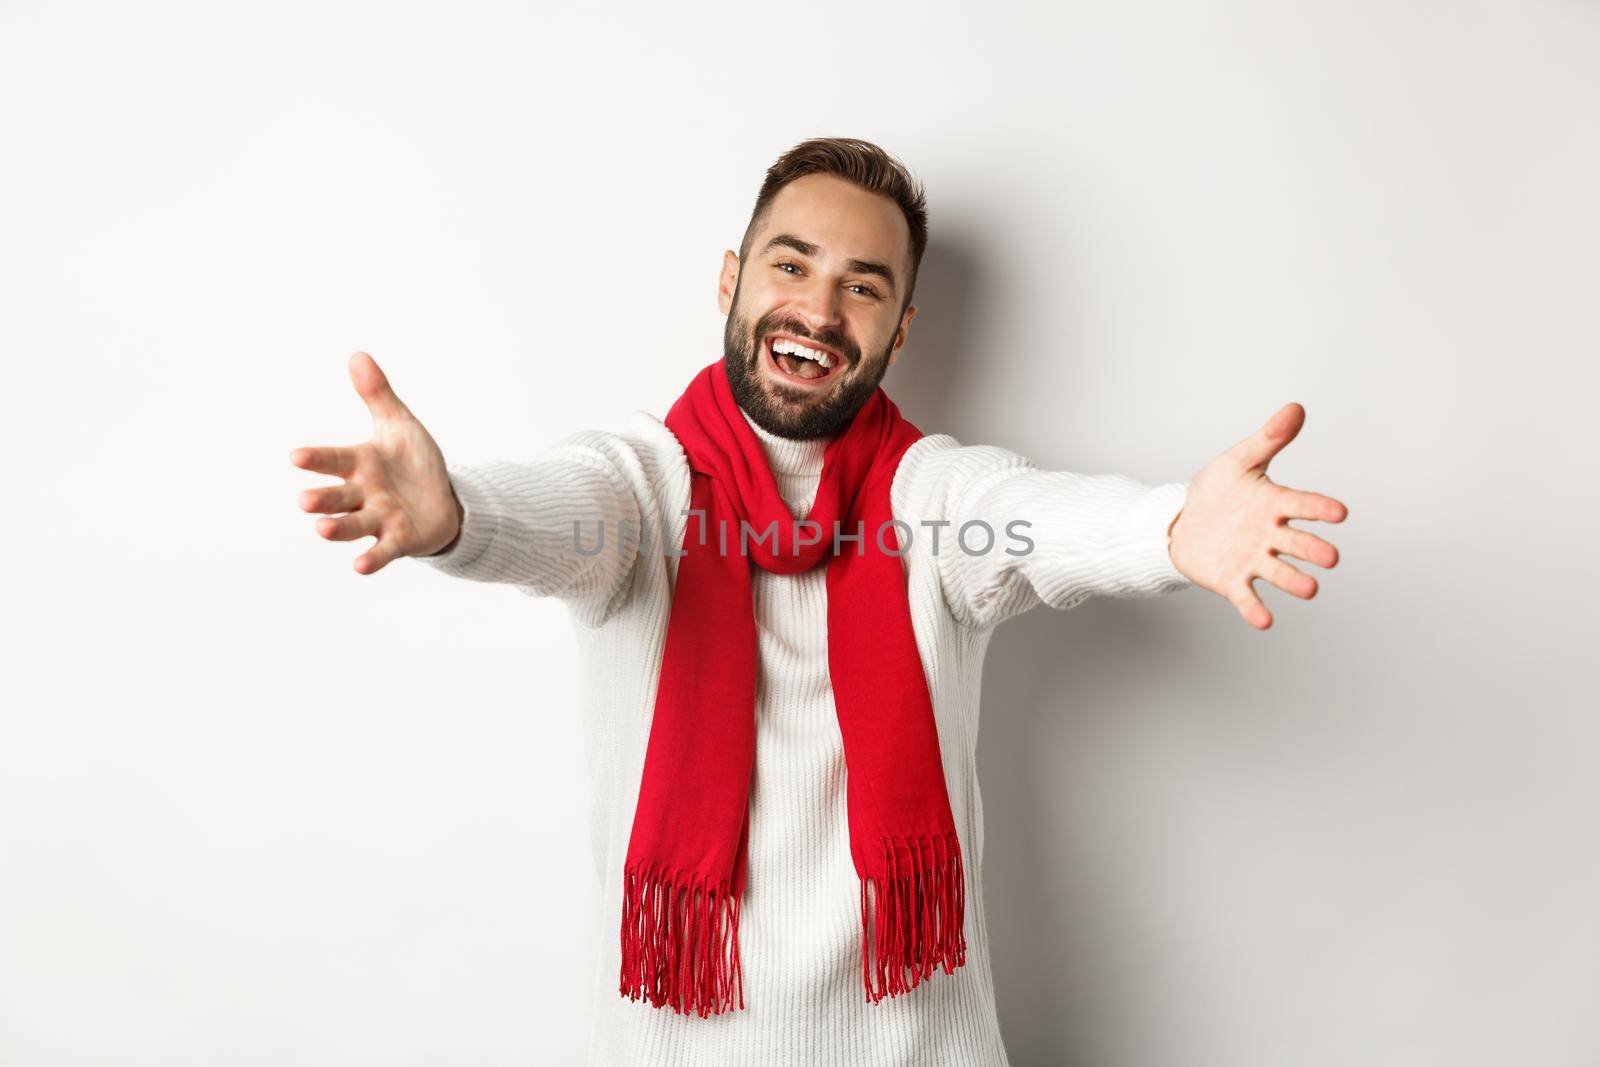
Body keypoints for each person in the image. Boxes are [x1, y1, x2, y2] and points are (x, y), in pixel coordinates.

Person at [289, 137, 1346, 1067]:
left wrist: (1166, 529)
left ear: (899, 329)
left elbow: (1032, 518)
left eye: (864, 286)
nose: (819, 308)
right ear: (730, 279)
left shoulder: (931, 495)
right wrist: (459, 515)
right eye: (791, 264)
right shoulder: (642, 487)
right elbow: (560, 514)